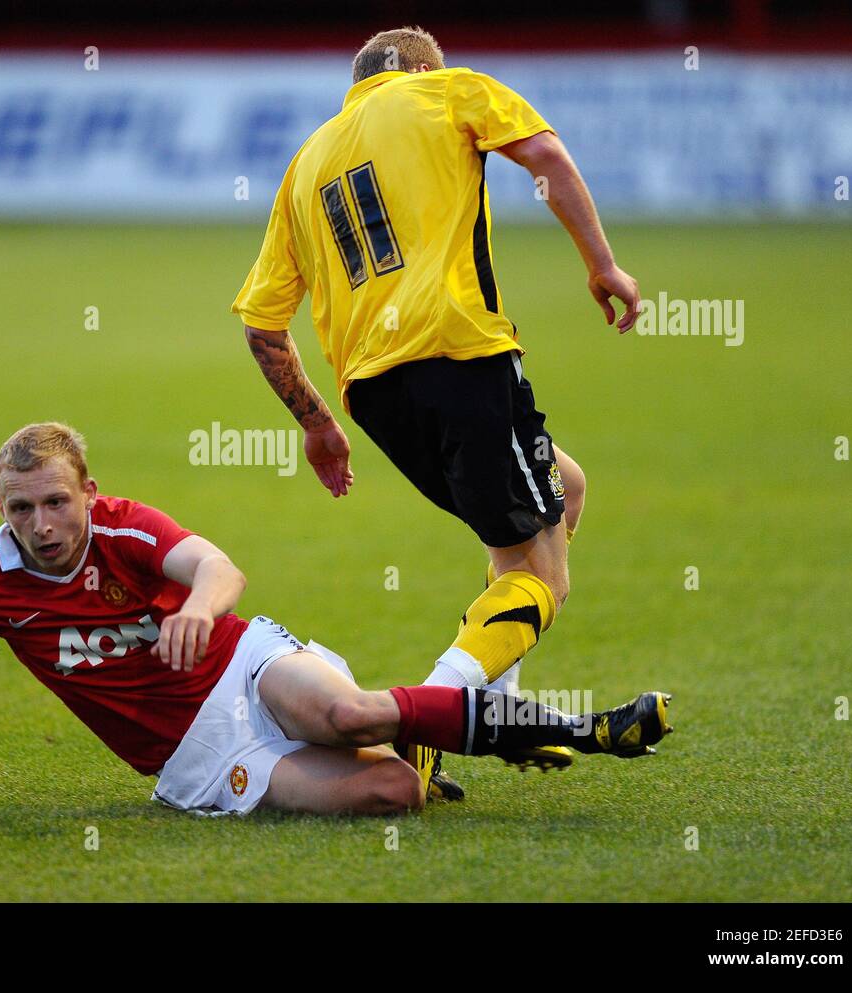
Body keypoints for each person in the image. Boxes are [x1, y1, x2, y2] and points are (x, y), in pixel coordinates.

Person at [0, 422, 672, 817]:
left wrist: (197, 606)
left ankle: (579, 729)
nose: (40, 523)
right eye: (21, 507)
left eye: (54, 502)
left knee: (347, 714)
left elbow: (217, 566)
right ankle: (433, 740)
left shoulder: (122, 525)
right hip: (195, 757)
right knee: (396, 792)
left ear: (86, 493)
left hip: (242, 662)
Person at [232, 26, 642, 784]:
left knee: (562, 492)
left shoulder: (306, 162)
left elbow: (262, 324)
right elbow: (546, 157)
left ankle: (500, 705)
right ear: (423, 66)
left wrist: (318, 426)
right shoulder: (449, 90)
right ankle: (423, 719)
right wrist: (604, 264)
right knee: (544, 577)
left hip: (375, 398)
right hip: (461, 358)